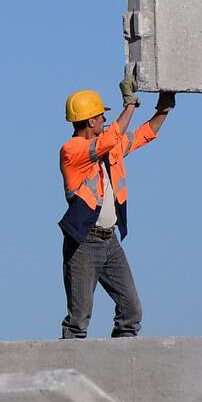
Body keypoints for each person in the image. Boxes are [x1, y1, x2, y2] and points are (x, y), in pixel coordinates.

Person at [57, 82, 173, 339]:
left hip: (109, 242)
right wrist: (130, 104)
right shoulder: (71, 150)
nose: (104, 120)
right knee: (79, 318)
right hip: (83, 243)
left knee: (131, 310)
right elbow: (112, 138)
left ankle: (123, 363)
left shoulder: (106, 148)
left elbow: (142, 135)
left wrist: (164, 108)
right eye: (100, 116)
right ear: (90, 122)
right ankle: (69, 366)